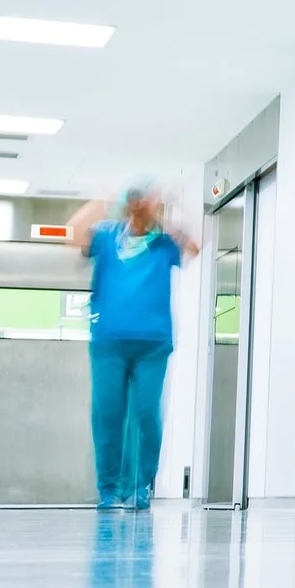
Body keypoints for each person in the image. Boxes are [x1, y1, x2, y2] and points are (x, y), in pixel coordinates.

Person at [68, 181, 199, 511]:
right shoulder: (109, 234)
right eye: (140, 200)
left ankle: (141, 485)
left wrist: (164, 213)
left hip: (152, 344)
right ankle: (109, 489)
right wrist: (104, 200)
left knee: (145, 413)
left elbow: (194, 247)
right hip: (108, 342)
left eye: (149, 201)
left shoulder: (164, 242)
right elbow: (74, 234)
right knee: (108, 414)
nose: (143, 205)